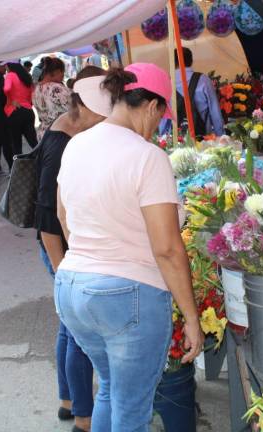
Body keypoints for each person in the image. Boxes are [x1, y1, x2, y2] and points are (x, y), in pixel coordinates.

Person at [55, 63, 204, 431]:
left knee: (111, 389)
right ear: (152, 106)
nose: (158, 126)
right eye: (161, 116)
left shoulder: (76, 144)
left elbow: (63, 215)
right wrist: (191, 317)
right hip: (126, 295)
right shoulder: (147, 156)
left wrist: (95, 255)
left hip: (72, 287)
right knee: (132, 409)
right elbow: (167, 248)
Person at [36, 66, 110, 432]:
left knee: (69, 328)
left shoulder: (75, 131)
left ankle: (69, 400)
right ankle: (84, 416)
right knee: (80, 332)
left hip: (69, 247)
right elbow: (46, 211)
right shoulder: (61, 141)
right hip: (61, 248)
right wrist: (59, 264)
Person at [172, 47, 224, 137]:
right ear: (191, 61)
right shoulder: (203, 80)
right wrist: (221, 135)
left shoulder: (168, 82)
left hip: (177, 140)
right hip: (203, 138)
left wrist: (163, 138)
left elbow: (164, 117)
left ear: (173, 62)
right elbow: (215, 111)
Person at [2, 60, 37, 157]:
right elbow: (32, 94)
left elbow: (7, 88)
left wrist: (11, 100)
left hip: (15, 111)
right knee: (33, 141)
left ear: (9, 67)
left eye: (6, 67)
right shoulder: (26, 77)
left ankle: (18, 168)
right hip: (28, 111)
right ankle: (43, 161)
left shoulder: (10, 75)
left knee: (16, 144)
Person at [32, 57, 69, 138]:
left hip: (43, 133)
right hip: (59, 133)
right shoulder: (56, 88)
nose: (63, 77)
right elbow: (74, 108)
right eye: (62, 74)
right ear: (57, 71)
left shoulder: (36, 88)